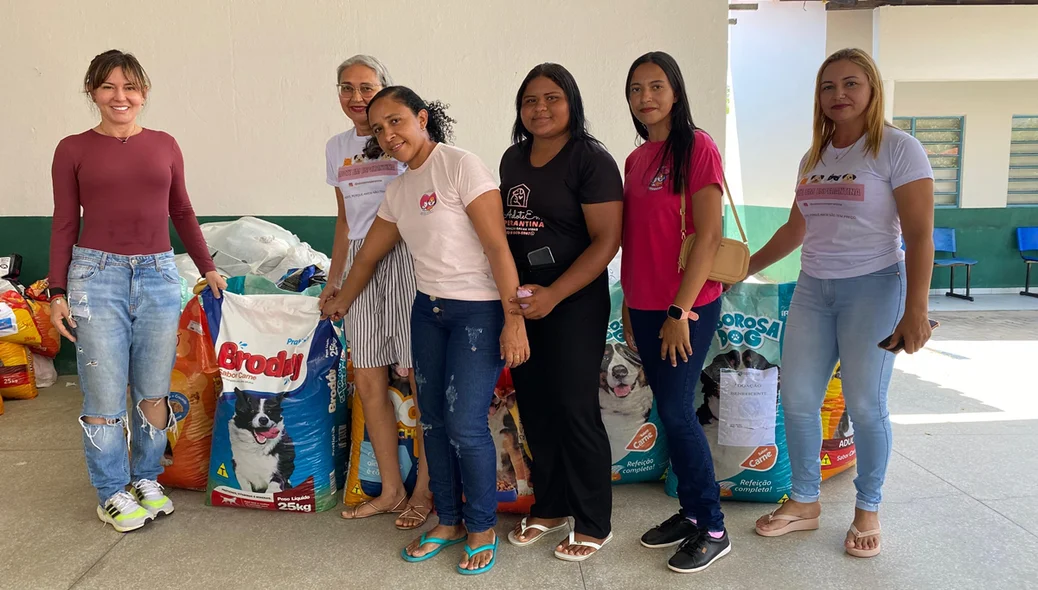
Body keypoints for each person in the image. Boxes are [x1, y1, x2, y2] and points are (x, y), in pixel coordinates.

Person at [321, 86, 529, 576]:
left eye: (396, 122)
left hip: (478, 313)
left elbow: (498, 248)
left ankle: (481, 526)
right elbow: (368, 255)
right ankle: (449, 519)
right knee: (431, 420)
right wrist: (340, 302)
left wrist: (513, 319)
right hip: (428, 312)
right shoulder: (399, 190)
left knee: (465, 424)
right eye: (378, 129)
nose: (389, 135)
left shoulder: (460, 165)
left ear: (421, 118)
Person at [750, 48, 935, 559]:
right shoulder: (815, 156)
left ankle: (867, 508)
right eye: (828, 87)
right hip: (814, 287)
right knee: (800, 400)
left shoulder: (898, 148)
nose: (839, 95)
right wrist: (740, 268)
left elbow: (920, 236)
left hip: (875, 287)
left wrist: (914, 309)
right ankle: (805, 501)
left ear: (872, 89)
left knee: (865, 404)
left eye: (851, 84)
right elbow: (795, 229)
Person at [47, 49, 227, 533]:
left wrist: (208, 268)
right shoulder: (72, 149)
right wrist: (57, 292)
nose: (119, 97)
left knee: (152, 391)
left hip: (158, 275)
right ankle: (110, 491)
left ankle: (145, 477)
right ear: (93, 92)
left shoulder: (165, 144)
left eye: (129, 87)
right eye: (108, 87)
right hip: (95, 277)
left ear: (144, 93)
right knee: (104, 395)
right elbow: (65, 222)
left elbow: (183, 212)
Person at [499, 63, 622, 562]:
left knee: (574, 408)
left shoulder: (589, 159)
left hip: (574, 302)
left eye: (552, 98)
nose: (541, 109)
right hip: (526, 302)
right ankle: (549, 508)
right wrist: (518, 296)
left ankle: (594, 520)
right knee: (536, 407)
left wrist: (554, 294)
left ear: (572, 102)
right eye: (531, 100)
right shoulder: (512, 159)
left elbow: (607, 241)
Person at [619, 51, 731, 574]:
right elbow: (637, 241)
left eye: (656, 86)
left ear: (676, 91)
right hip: (643, 304)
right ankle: (689, 513)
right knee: (668, 409)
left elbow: (708, 235)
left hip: (685, 306)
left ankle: (711, 525)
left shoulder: (698, 147)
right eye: (636, 89)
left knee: (678, 410)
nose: (646, 97)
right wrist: (628, 306)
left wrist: (679, 310)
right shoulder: (636, 160)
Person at [321, 54, 433, 530]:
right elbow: (346, 219)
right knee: (368, 378)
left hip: (408, 255)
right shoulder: (336, 147)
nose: (356, 97)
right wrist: (334, 278)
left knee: (419, 378)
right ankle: (390, 490)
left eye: (366, 87)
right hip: (359, 267)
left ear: (386, 89)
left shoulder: (401, 136)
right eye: (346, 88)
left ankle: (426, 490)